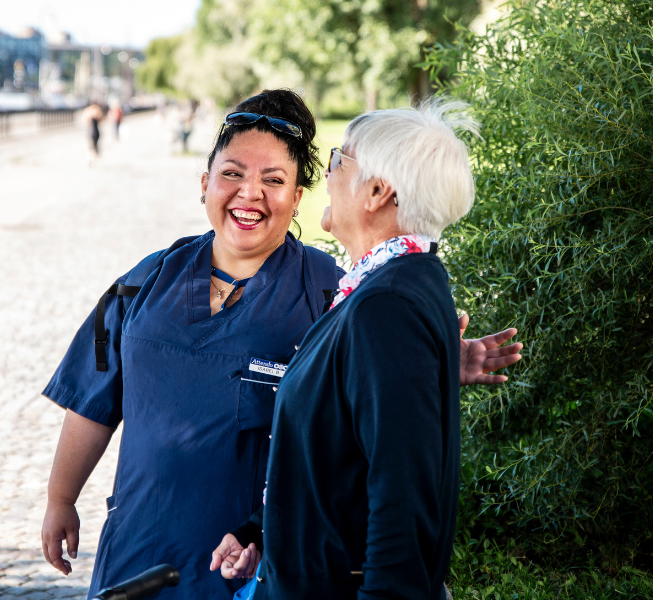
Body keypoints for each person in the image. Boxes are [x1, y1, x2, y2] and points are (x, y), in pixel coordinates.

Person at [41, 90, 521, 600]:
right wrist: (60, 497)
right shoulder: (144, 282)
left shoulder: (338, 292)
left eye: (274, 180)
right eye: (232, 174)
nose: (250, 194)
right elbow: (94, 397)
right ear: (204, 183)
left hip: (252, 571)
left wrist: (429, 361)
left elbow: (389, 469)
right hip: (143, 552)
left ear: (297, 199)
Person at [210, 99, 497, 599]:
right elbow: (340, 452)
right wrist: (262, 531)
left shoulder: (387, 305)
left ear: (378, 192)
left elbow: (402, 491)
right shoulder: (396, 285)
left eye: (339, 160)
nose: (325, 172)